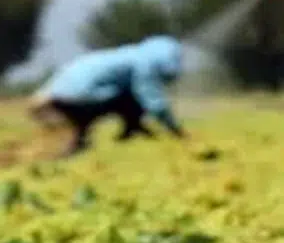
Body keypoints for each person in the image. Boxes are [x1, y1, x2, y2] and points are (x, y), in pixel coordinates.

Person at [30, 35, 187, 157]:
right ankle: (131, 130)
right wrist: (176, 131)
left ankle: (80, 143)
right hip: (82, 97)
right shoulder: (145, 62)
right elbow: (154, 102)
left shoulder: (128, 54)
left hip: (57, 97)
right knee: (134, 95)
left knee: (84, 119)